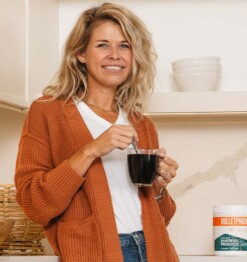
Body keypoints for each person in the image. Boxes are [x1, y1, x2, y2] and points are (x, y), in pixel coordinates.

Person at [14, 2, 179, 261]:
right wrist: (91, 149)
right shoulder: (47, 111)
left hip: (153, 250)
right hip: (94, 253)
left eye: (124, 45)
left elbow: (162, 217)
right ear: (80, 53)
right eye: (103, 45)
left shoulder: (142, 124)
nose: (115, 54)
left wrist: (159, 187)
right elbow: (34, 204)